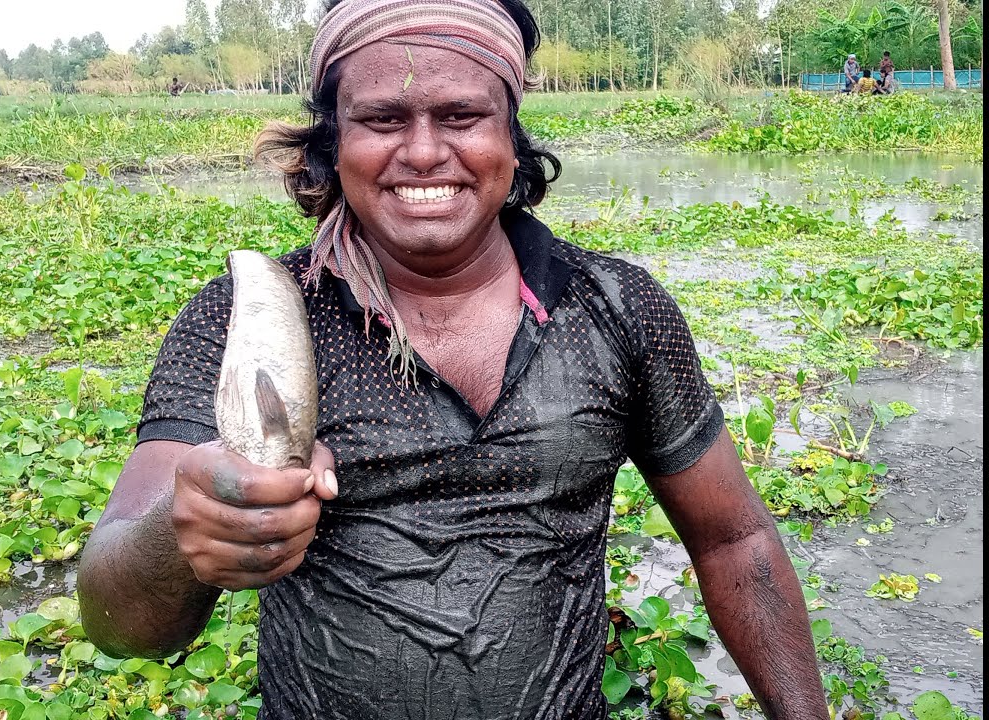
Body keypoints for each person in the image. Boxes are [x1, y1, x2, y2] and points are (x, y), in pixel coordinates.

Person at [77, 1, 832, 718]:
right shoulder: (245, 321)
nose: (423, 152)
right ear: (332, 143)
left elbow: (734, 541)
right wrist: (186, 531)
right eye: (382, 119)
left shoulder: (616, 308)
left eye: (463, 116)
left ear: (512, 136)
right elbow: (122, 626)